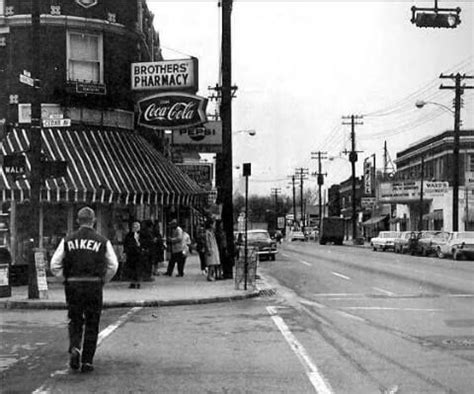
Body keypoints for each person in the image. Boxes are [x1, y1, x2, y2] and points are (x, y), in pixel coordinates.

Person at [50, 207, 118, 373]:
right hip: (94, 285)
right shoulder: (102, 241)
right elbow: (113, 265)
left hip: (73, 285)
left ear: (78, 221)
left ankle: (75, 347)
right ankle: (87, 360)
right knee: (92, 322)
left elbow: (54, 264)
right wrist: (103, 280)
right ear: (93, 221)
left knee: (75, 319)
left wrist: (64, 279)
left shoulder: (68, 240)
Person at [124, 221, 143, 289]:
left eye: (137, 227)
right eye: (134, 227)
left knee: (138, 269)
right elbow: (126, 243)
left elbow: (146, 242)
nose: (135, 228)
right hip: (131, 254)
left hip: (139, 254)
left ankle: (138, 282)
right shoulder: (129, 235)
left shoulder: (142, 235)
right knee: (132, 269)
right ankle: (132, 282)